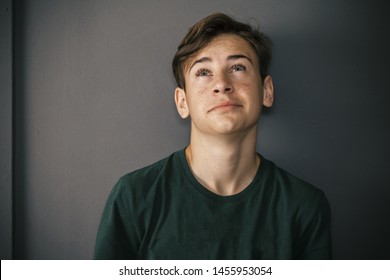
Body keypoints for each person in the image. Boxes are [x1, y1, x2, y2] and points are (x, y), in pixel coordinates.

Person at [94, 12, 332, 259]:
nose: (222, 84)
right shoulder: (134, 198)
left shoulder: (304, 206)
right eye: (203, 72)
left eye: (238, 67)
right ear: (182, 102)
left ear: (267, 91)